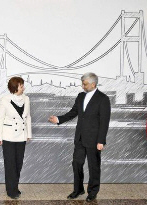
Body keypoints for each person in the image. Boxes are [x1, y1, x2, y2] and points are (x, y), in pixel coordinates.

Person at [49, 72, 111, 202]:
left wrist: (101, 141)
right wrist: (59, 119)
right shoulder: (80, 96)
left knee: (94, 167)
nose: (82, 86)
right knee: (76, 163)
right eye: (82, 83)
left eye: (85, 84)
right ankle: (78, 189)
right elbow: (73, 113)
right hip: (80, 138)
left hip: (94, 140)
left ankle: (93, 192)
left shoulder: (103, 99)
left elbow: (104, 122)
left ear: (93, 84)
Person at [0, 77, 32, 199]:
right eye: (21, 86)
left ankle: (14, 186)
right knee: (10, 164)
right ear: (15, 87)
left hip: (21, 136)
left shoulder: (26, 99)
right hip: (8, 136)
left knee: (18, 163)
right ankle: (11, 190)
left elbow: (28, 117)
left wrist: (28, 134)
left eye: (22, 85)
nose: (23, 88)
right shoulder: (4, 100)